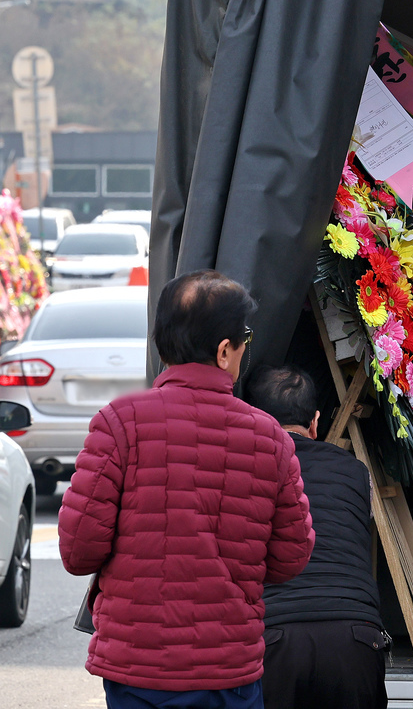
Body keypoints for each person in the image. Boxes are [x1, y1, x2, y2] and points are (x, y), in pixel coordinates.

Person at [59, 269, 314, 709]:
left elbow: (78, 550)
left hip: (135, 671)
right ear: (223, 352)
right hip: (227, 671)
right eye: (244, 340)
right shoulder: (269, 437)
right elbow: (291, 555)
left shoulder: (119, 423)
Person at [243, 365, 389, 709]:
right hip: (357, 641)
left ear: (251, 419)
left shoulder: (243, 471)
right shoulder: (356, 472)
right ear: (315, 421)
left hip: (276, 640)